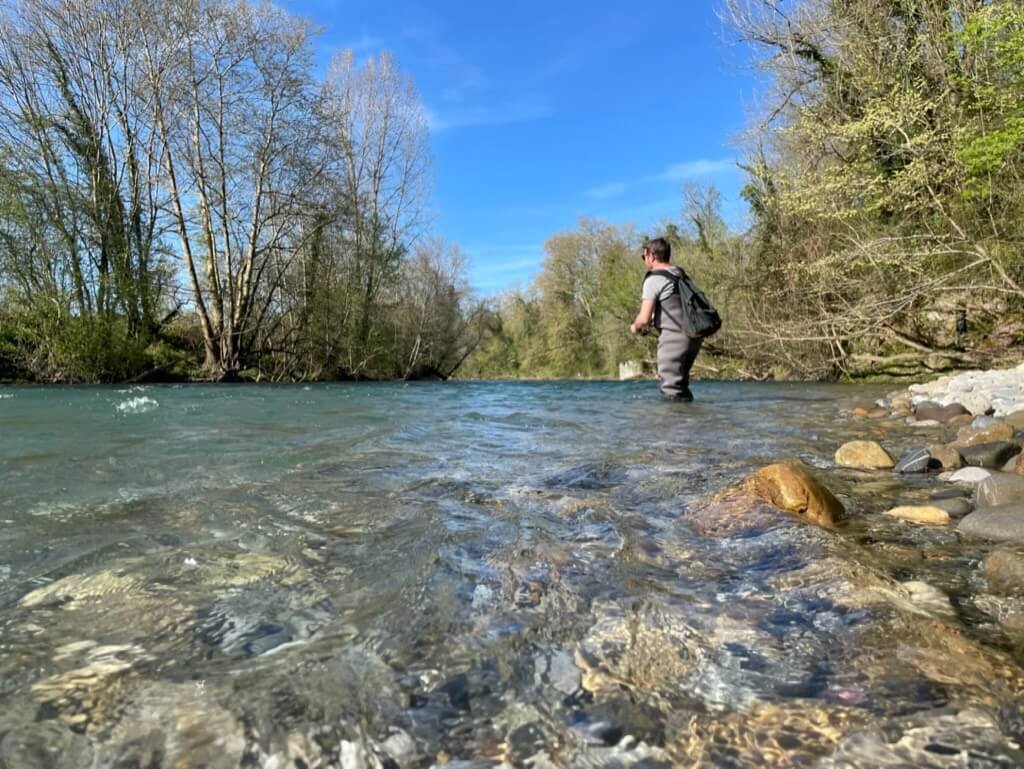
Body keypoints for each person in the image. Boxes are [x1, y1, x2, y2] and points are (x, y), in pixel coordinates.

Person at [629, 237, 703, 401]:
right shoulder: (679, 273)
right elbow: (673, 304)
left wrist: (635, 327)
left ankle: (674, 425)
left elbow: (644, 318)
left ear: (651, 255)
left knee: (671, 388)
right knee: (681, 385)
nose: (644, 260)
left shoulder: (654, 279)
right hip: (693, 336)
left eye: (644, 257)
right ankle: (692, 423)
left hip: (673, 339)